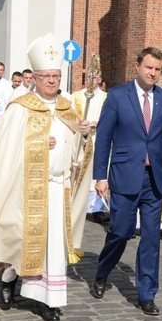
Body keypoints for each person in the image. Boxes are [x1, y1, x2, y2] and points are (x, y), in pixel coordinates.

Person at [0, 33, 92, 321]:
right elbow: (4, 150)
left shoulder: (68, 107)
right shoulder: (20, 108)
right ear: (34, 79)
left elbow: (76, 150)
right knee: (21, 241)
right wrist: (37, 143)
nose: (52, 81)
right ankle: (8, 280)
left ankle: (49, 300)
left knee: (52, 247)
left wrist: (85, 134)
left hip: (58, 188)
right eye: (46, 76)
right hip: (25, 190)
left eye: (55, 76)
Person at [91, 47, 162, 316]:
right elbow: (104, 139)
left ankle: (147, 293)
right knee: (121, 232)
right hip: (125, 176)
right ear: (137, 66)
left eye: (158, 69)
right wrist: (100, 176)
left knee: (151, 237)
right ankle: (103, 271)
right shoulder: (117, 96)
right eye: (149, 67)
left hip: (154, 179)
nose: (153, 73)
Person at [71, 70, 109, 230]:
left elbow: (110, 117)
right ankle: (78, 204)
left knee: (98, 173)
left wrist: (98, 123)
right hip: (81, 138)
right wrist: (80, 123)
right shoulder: (77, 96)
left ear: (100, 80)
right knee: (80, 171)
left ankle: (97, 208)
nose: (92, 80)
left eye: (95, 78)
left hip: (99, 138)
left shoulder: (106, 97)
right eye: (89, 77)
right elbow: (71, 114)